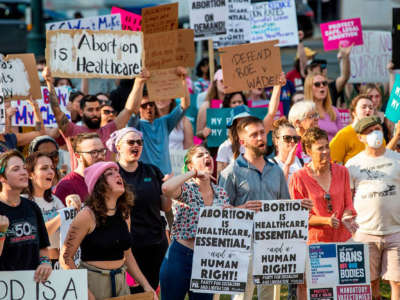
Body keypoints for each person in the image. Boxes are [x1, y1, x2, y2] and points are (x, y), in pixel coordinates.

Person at [219, 116, 311, 300]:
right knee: (242, 297)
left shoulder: (275, 170)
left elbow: (283, 206)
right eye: (254, 135)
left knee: (269, 297)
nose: (261, 138)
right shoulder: (230, 172)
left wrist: (297, 205)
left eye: (262, 132)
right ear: (243, 141)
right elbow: (220, 213)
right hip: (243, 246)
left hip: (271, 245)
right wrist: (242, 209)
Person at [60, 161, 157, 300]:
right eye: (110, 173)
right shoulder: (87, 216)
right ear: (99, 185)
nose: (117, 175)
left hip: (120, 282)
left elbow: (127, 255)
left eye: (117, 172)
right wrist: (86, 293)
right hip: (94, 282)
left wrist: (146, 286)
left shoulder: (124, 213)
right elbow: (65, 258)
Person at [289, 127, 357, 299]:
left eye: (327, 146)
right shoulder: (298, 177)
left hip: (342, 239)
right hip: (314, 244)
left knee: (341, 291)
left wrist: (348, 216)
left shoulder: (342, 171)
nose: (326, 151)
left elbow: (348, 203)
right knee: (315, 291)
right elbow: (299, 217)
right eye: (320, 148)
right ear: (308, 151)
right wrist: (326, 221)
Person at [106, 127, 171, 293]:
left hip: (156, 242)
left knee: (153, 290)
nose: (136, 145)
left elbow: (165, 206)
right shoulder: (112, 174)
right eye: (131, 142)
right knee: (132, 294)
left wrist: (168, 191)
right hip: (128, 247)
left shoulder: (151, 170)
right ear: (119, 147)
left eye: (139, 142)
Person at [160, 145, 229, 300]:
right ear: (190, 165)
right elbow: (166, 188)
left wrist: (237, 210)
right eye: (200, 155)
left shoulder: (221, 192)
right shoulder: (187, 188)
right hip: (180, 256)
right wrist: (195, 173)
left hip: (207, 259)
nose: (206, 156)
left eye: (208, 153)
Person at [346, 116, 400, 300]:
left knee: (397, 282)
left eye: (377, 128)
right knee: (370, 283)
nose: (374, 133)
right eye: (368, 131)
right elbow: (348, 197)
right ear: (360, 137)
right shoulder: (352, 164)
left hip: (396, 230)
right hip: (365, 232)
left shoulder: (397, 159)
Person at [43, 67, 144, 159]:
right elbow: (57, 111)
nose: (95, 113)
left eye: (97, 109)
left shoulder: (109, 130)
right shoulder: (72, 130)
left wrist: (139, 81)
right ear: (81, 112)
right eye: (90, 110)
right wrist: (49, 83)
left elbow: (129, 109)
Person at [0, 150, 52, 282]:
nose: (24, 172)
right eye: (16, 169)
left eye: (24, 168)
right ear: (2, 178)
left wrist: (45, 262)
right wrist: (1, 233)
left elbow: (43, 247)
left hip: (32, 285)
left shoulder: (32, 207)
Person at [127, 67, 190, 175]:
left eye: (151, 104)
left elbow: (185, 105)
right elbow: (131, 109)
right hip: (146, 178)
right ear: (139, 108)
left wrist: (183, 80)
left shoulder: (164, 122)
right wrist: (139, 82)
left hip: (166, 178)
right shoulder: (135, 126)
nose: (148, 108)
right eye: (144, 105)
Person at [23, 152, 81, 267]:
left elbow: (70, 229)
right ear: (30, 174)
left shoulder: (55, 200)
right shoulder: (23, 201)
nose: (51, 172)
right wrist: (62, 216)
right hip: (36, 264)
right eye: (44, 168)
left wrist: (74, 206)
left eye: (52, 168)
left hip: (58, 264)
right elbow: (37, 234)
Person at [53, 132, 106, 205]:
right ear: (78, 156)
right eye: (93, 152)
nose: (100, 156)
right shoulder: (66, 186)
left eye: (102, 151)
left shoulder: (107, 180)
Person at [329, 94, 375, 165]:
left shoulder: (377, 133)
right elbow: (333, 162)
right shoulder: (344, 134)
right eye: (364, 107)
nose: (368, 110)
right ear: (354, 112)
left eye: (371, 108)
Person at [304, 74, 343, 140]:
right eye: (317, 84)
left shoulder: (334, 111)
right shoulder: (305, 111)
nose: (322, 86)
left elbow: (342, 136)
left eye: (324, 83)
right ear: (309, 88)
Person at [196, 69, 226, 140]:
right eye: (222, 81)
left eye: (228, 81)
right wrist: (203, 133)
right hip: (212, 148)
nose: (225, 84)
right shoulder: (207, 106)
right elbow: (197, 135)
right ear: (215, 83)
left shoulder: (235, 103)